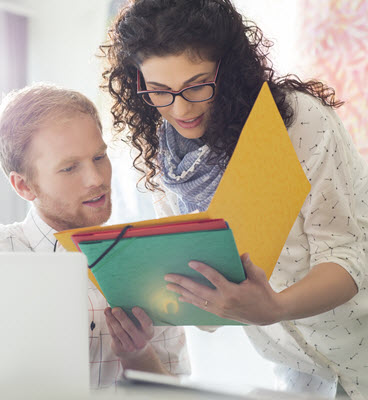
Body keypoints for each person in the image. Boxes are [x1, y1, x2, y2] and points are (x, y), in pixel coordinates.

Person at [100, 0, 368, 398]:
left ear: (230, 68)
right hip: (297, 374)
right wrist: (158, 310)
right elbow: (209, 315)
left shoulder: (296, 121)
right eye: (159, 91)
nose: (181, 108)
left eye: (196, 85)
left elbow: (351, 257)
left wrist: (274, 307)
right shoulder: (167, 163)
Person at [0, 83, 190, 389]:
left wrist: (138, 356)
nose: (96, 180)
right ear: (24, 186)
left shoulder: (148, 262)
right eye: (69, 169)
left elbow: (176, 395)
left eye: (98, 157)